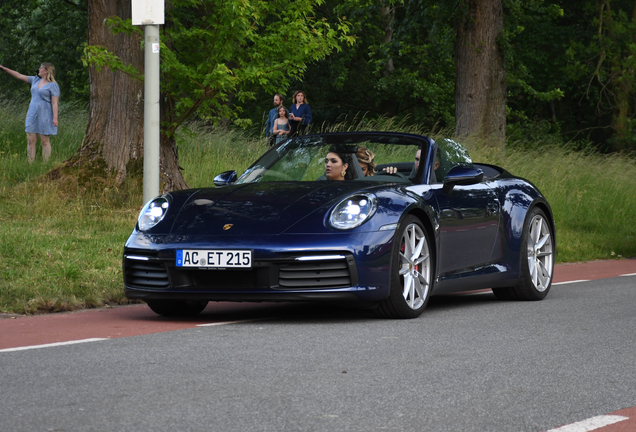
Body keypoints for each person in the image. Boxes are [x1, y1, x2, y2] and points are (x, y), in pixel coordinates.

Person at [0, 62, 60, 163]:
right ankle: (30, 164)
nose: (39, 70)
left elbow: (54, 103)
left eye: (41, 68)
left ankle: (46, 164)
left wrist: (55, 118)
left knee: (44, 141)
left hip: (45, 115)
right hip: (32, 113)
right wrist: (4, 68)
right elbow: (19, 75)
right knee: (30, 140)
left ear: (47, 71)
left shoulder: (53, 85)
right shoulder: (35, 80)